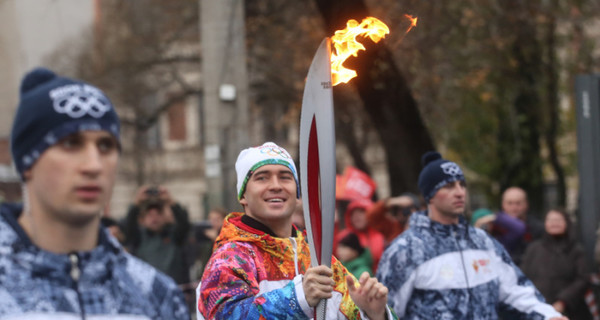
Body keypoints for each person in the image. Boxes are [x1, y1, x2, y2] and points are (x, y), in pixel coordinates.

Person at [0, 67, 189, 319]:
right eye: (70, 143)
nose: (94, 164)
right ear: (28, 162)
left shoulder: (155, 294)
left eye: (106, 145)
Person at [197, 142, 395, 320]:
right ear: (243, 196)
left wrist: (375, 314)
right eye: (262, 178)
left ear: (298, 193)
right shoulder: (230, 259)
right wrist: (297, 298)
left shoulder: (317, 258)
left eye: (285, 177)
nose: (275, 186)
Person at [377, 151, 567, 319]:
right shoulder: (406, 250)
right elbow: (385, 311)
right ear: (430, 195)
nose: (460, 193)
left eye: (462, 185)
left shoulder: (482, 241)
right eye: (449, 186)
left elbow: (515, 290)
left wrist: (548, 315)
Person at [520, 209, 592, 319]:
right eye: (550, 220)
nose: (554, 223)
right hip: (537, 310)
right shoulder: (533, 249)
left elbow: (582, 279)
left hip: (568, 312)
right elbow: (522, 278)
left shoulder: (576, 250)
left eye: (558, 220)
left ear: (567, 223)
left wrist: (563, 301)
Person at [123, 185, 191, 285]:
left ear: (164, 217)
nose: (154, 218)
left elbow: (184, 223)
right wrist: (137, 202)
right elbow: (128, 226)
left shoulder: (174, 235)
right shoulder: (138, 237)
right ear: (143, 219)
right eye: (150, 215)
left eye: (158, 214)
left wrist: (170, 201)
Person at [495, 186, 544, 265]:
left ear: (526, 204)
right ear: (503, 205)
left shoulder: (538, 229)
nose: (514, 208)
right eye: (510, 203)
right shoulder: (494, 229)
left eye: (518, 203)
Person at [337, 198, 384, 272]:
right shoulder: (344, 236)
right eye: (353, 213)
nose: (357, 216)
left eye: (361, 212)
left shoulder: (381, 234)